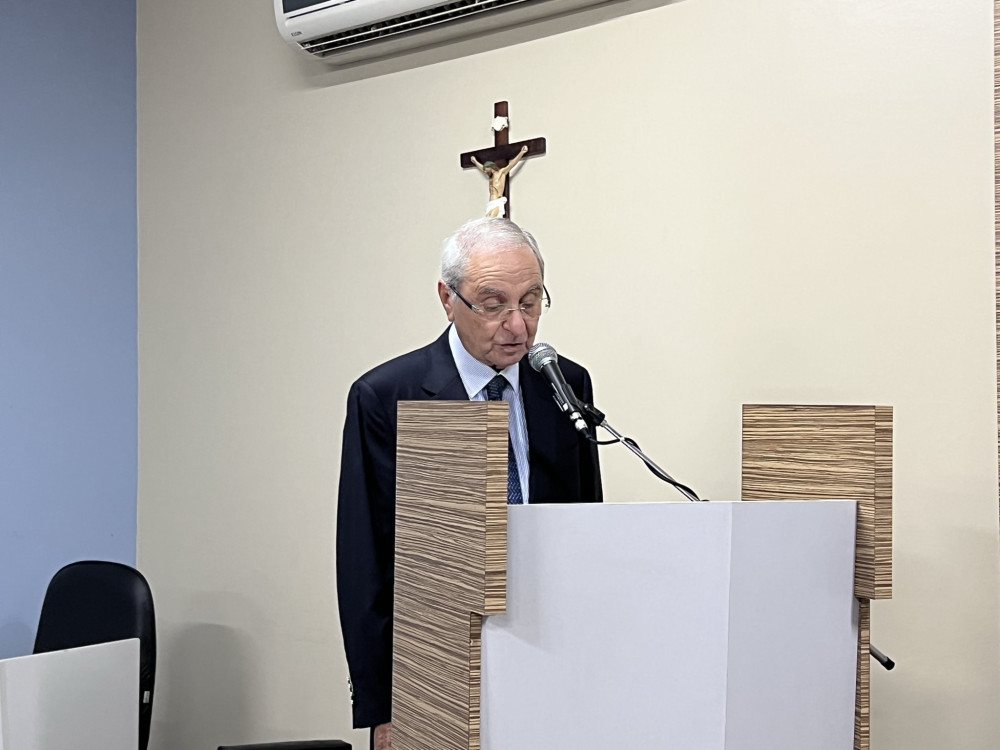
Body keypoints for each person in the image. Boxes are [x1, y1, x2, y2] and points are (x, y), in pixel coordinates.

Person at [336, 217, 602, 750]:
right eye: (494, 303)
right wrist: (385, 706)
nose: (518, 326)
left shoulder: (564, 383)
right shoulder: (388, 397)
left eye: (531, 302)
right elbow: (365, 562)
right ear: (447, 298)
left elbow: (586, 527)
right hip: (434, 670)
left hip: (550, 657)